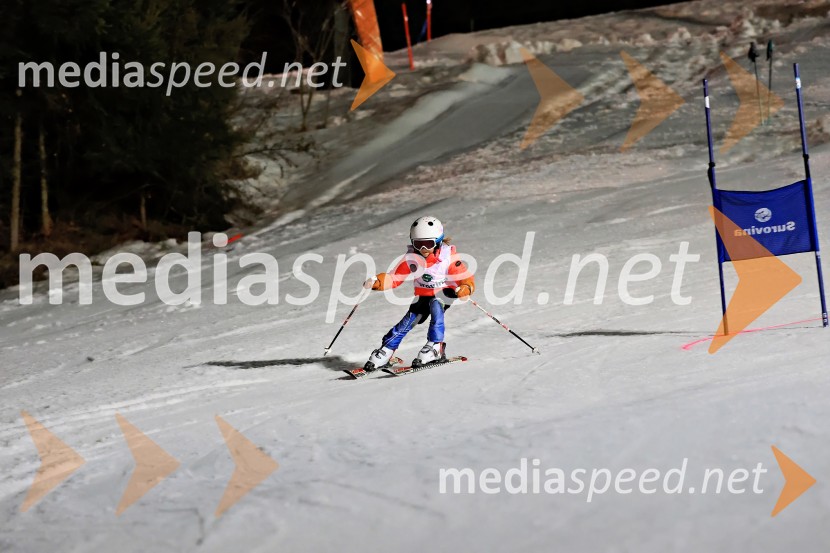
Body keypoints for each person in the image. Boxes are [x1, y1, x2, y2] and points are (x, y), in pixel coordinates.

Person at [362, 216, 475, 370]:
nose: (423, 249)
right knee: (409, 319)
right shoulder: (411, 258)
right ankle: (387, 349)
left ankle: (435, 346)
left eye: (428, 244)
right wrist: (378, 282)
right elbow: (395, 277)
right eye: (418, 244)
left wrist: (466, 287)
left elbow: (465, 277)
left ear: (438, 241)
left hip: (447, 292)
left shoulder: (447, 257)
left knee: (437, 305)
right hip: (424, 295)